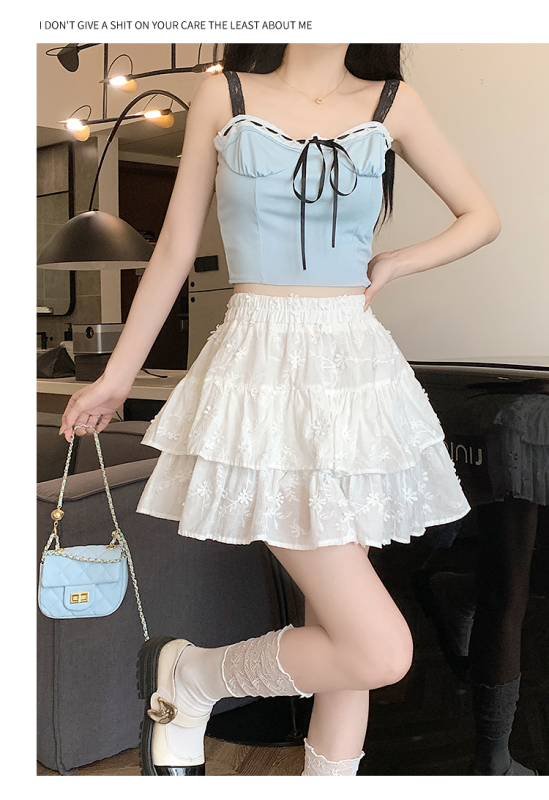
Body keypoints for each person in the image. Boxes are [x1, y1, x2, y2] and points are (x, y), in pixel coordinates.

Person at [60, 43, 501, 776]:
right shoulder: (223, 93)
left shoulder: (392, 102)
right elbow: (173, 250)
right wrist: (116, 377)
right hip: (261, 368)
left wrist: (395, 261)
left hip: (355, 375)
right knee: (378, 649)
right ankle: (190, 678)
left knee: (341, 638)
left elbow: (480, 216)